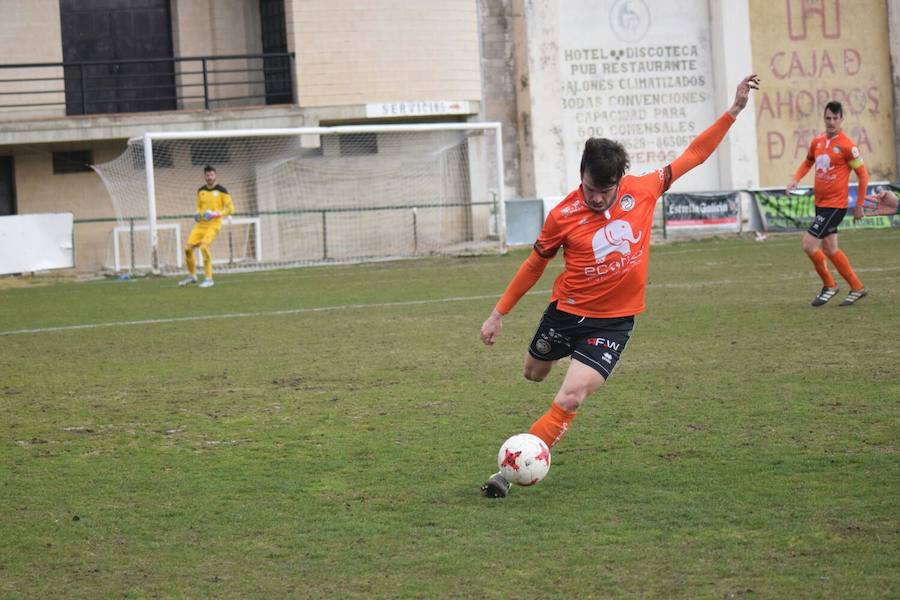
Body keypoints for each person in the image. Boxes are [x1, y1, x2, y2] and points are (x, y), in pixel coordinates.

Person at [479, 74, 761, 498]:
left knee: (571, 397)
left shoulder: (643, 190)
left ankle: (509, 472)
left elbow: (694, 155)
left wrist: (734, 111)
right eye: (591, 189)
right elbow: (534, 266)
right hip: (566, 312)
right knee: (533, 374)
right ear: (582, 176)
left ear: (620, 181)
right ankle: (560, 357)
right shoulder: (562, 215)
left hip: (613, 323)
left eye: (605, 191)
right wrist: (499, 313)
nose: (597, 199)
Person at [786, 101, 869, 307]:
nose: (831, 122)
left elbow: (863, 175)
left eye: (835, 118)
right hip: (821, 203)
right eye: (828, 118)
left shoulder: (848, 146)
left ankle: (829, 285)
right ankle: (857, 287)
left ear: (842, 119)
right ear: (824, 118)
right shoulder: (818, 142)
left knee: (808, 244)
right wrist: (796, 178)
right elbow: (808, 161)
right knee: (830, 248)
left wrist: (859, 204)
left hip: (836, 205)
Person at [178, 165, 234, 288]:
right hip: (200, 225)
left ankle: (209, 279)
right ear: (204, 176)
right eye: (207, 175)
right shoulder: (200, 191)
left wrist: (216, 214)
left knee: (203, 247)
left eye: (212, 175)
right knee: (187, 248)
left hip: (214, 224)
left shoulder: (222, 190)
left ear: (215, 176)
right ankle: (192, 276)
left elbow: (231, 209)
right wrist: (197, 213)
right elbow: (199, 206)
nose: (209, 177)